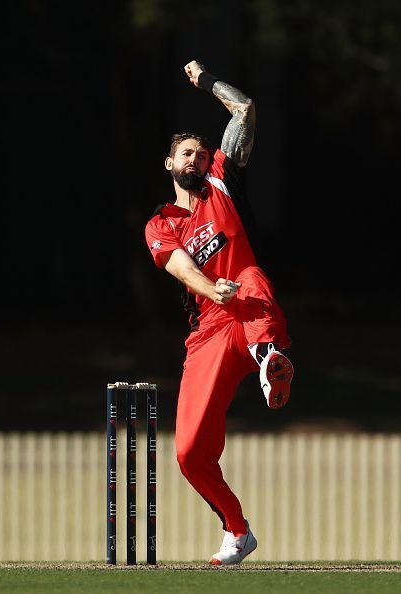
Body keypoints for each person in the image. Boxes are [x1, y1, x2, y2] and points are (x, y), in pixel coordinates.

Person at [145, 60, 294, 565]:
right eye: (186, 152)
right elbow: (180, 268)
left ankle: (268, 358)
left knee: (251, 278)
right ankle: (237, 530)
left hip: (248, 306)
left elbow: (245, 109)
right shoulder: (161, 223)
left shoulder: (222, 180)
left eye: (202, 152)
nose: (197, 157)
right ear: (169, 164)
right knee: (189, 454)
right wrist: (214, 289)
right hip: (208, 330)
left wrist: (206, 81)